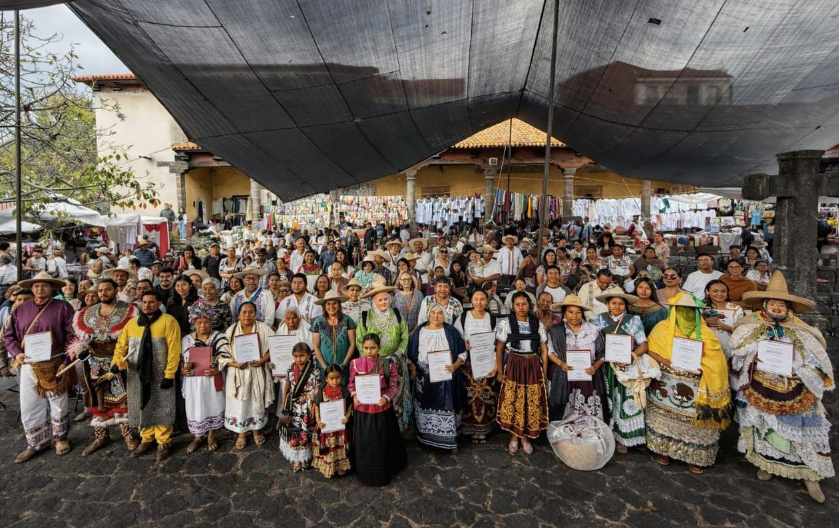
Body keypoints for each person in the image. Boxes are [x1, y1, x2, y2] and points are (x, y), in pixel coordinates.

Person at [730, 271, 834, 503]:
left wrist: (800, 368)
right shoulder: (750, 325)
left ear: (789, 307)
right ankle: (767, 463)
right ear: (765, 304)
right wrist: (754, 354)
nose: (777, 308)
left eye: (781, 304)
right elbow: (737, 349)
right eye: (773, 303)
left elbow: (817, 356)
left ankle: (810, 473)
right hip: (761, 385)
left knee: (804, 430)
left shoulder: (801, 329)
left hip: (796, 386)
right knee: (765, 426)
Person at [645, 292, 731, 474]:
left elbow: (717, 360)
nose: (686, 314)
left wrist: (703, 366)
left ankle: (696, 455)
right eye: (681, 310)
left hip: (697, 388)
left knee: (694, 423)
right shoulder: (662, 328)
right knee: (665, 421)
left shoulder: (706, 333)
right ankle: (663, 450)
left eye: (690, 310)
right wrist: (663, 360)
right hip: (667, 385)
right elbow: (650, 349)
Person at [5, 272, 75, 463]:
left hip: (55, 361)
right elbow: (9, 336)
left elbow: (72, 336)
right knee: (29, 404)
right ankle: (36, 442)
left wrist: (66, 362)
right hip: (28, 362)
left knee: (58, 402)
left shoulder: (64, 307)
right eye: (36, 286)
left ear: (52, 287)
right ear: (31, 288)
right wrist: (16, 353)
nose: (40, 288)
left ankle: (60, 438)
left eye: (44, 285)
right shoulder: (20, 309)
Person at [69, 279, 139, 456]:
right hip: (94, 363)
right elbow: (79, 339)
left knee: (122, 397)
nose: (103, 293)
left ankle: (128, 434)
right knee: (97, 399)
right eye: (100, 290)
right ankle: (101, 435)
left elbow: (134, 336)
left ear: (116, 290)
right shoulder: (86, 313)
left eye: (107, 289)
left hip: (119, 361)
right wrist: (81, 348)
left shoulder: (128, 310)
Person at [111, 290, 182, 461]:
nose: (147, 305)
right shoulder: (132, 324)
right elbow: (121, 345)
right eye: (144, 302)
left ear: (158, 303)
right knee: (141, 404)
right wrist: (116, 362)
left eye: (151, 302)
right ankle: (146, 438)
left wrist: (170, 374)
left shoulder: (169, 321)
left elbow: (174, 350)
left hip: (160, 372)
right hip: (137, 373)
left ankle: (163, 441)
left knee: (162, 405)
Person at [592, 290, 650, 453]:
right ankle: (606, 434)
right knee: (607, 400)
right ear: (607, 304)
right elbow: (594, 343)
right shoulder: (599, 319)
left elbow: (644, 345)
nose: (617, 306)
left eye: (621, 303)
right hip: (605, 367)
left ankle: (624, 437)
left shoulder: (633, 321)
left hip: (626, 368)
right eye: (613, 303)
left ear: (625, 305)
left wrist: (631, 357)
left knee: (624, 401)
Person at [407, 303, 467, 452]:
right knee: (426, 405)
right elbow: (412, 355)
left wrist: (455, 365)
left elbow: (462, 352)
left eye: (440, 313)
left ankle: (450, 442)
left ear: (444, 315)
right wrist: (414, 369)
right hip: (425, 378)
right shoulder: (420, 331)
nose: (436, 316)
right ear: (428, 314)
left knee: (447, 405)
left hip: (446, 379)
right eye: (433, 312)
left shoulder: (451, 331)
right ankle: (426, 439)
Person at [494, 292, 548, 455]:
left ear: (529, 305)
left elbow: (544, 348)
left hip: (532, 365)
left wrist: (543, 371)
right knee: (515, 399)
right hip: (514, 364)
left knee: (529, 400)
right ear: (512, 306)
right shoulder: (505, 323)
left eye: (524, 304)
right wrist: (499, 370)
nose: (521, 307)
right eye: (517, 304)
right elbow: (499, 348)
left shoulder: (537, 323)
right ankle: (514, 437)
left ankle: (526, 437)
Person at [349, 333, 406, 486]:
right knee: (365, 439)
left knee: (381, 438)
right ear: (362, 348)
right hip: (363, 408)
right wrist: (354, 396)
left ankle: (383, 470)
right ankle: (364, 469)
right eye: (366, 348)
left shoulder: (387, 364)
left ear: (379, 347)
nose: (369, 351)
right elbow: (351, 384)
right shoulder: (355, 363)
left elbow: (393, 384)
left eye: (373, 348)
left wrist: (386, 397)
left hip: (381, 407)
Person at [356, 280, 411, 432]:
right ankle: (378, 432)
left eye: (386, 298)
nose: (383, 302)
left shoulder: (397, 315)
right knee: (377, 399)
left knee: (396, 398)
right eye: (379, 299)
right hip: (373, 366)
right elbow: (360, 340)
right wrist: (371, 359)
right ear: (373, 301)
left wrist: (396, 356)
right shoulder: (366, 317)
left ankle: (398, 431)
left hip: (396, 364)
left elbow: (404, 337)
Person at [220, 302, 274, 449]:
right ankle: (241, 433)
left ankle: (257, 431)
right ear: (239, 314)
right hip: (239, 373)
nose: (247, 315)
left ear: (255, 314)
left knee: (256, 402)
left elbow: (275, 346)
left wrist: (263, 359)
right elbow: (222, 355)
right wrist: (235, 364)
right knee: (241, 404)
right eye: (244, 312)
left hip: (258, 371)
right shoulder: (231, 331)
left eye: (251, 312)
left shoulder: (263, 328)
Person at [180, 300, 228, 454]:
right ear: (194, 322)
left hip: (211, 379)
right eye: (199, 322)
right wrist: (183, 369)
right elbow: (181, 359)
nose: (202, 325)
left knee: (212, 404)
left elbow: (225, 355)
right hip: (193, 381)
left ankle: (211, 435)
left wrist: (217, 368)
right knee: (195, 406)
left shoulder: (219, 337)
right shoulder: (186, 339)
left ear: (211, 322)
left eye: (206, 322)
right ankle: (197, 436)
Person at [459, 289, 498, 444]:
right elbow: (457, 337)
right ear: (471, 300)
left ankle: (484, 428)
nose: (479, 302)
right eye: (476, 299)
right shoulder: (464, 317)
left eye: (482, 299)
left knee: (486, 394)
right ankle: (470, 428)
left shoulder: (492, 318)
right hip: (468, 363)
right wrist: (464, 344)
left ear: (487, 301)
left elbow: (497, 342)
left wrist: (495, 362)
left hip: (486, 361)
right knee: (470, 394)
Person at [278, 342, 321, 471]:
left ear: (308, 355)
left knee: (306, 429)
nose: (299, 359)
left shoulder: (314, 370)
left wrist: (314, 404)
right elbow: (286, 386)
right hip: (294, 405)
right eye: (296, 356)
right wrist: (283, 401)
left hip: (307, 404)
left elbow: (317, 389)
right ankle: (296, 459)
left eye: (302, 356)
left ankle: (305, 458)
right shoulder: (291, 369)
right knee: (294, 430)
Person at [311, 364, 353, 478]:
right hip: (326, 426)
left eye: (338, 377)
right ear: (326, 379)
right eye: (332, 378)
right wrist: (318, 420)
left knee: (339, 446)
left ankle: (340, 466)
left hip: (339, 426)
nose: (335, 381)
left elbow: (349, 404)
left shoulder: (344, 390)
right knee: (328, 447)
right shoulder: (321, 391)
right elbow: (316, 406)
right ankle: (328, 467)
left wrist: (348, 416)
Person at [311, 290, 357, 386]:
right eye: (328, 304)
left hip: (343, 368)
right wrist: (325, 368)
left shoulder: (347, 320)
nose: (331, 307)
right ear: (324, 306)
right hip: (323, 368)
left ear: (339, 305)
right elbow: (316, 347)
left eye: (335, 303)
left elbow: (352, 344)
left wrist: (343, 364)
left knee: (343, 395)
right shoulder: (318, 322)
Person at [702, 279, 744, 358]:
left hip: (729, 349)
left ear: (727, 293)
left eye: (723, 291)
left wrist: (726, 327)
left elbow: (743, 332)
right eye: (715, 291)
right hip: (706, 347)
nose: (719, 294)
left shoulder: (736, 309)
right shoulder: (701, 307)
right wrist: (704, 323)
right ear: (708, 292)